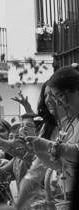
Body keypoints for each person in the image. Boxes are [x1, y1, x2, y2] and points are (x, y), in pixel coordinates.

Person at [23, 66, 79, 210]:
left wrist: (49, 146)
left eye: (60, 95)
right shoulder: (66, 126)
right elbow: (59, 165)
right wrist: (38, 149)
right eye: (50, 96)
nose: (59, 102)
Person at [16, 81, 67, 210]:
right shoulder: (48, 128)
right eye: (45, 95)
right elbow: (34, 173)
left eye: (54, 94)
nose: (49, 99)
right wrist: (18, 206)